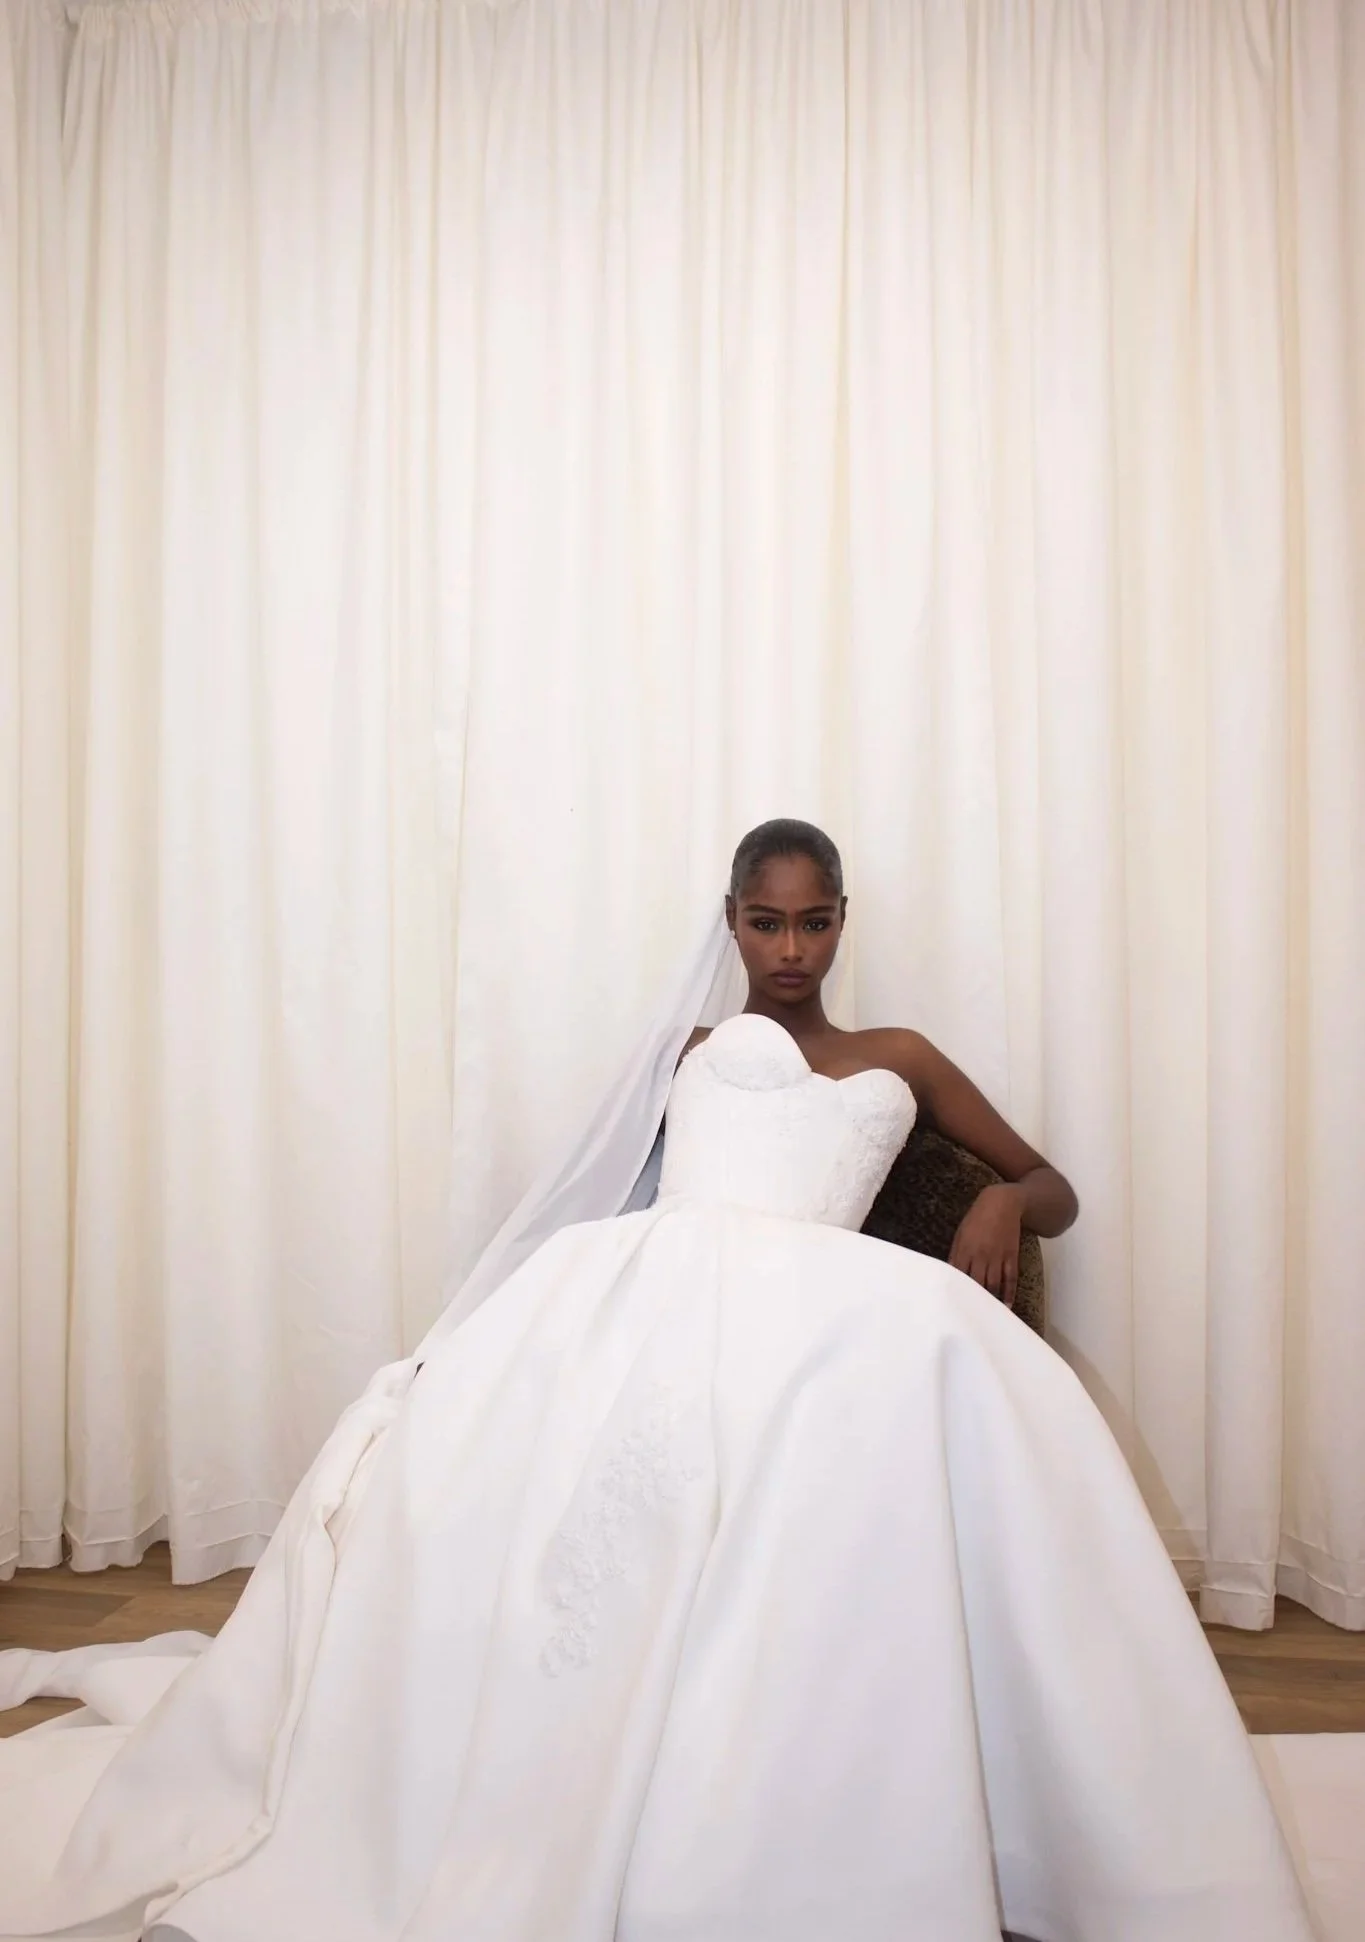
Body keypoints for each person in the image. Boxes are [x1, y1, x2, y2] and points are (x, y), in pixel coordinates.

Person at [0, 822, 1313, 1942]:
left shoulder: (899, 1055)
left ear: (843, 921)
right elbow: (610, 1187)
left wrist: (1008, 1205)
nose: (790, 950)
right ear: (732, 922)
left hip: (824, 1305)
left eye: (811, 924)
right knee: (559, 1484)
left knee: (837, 1432)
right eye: (764, 922)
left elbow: (1057, 1182)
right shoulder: (683, 1045)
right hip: (662, 1278)